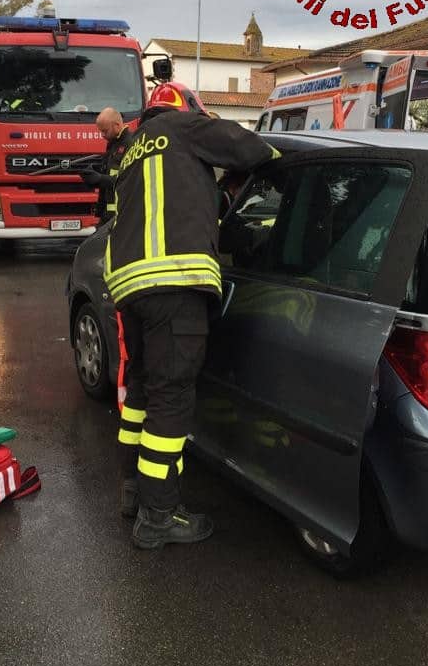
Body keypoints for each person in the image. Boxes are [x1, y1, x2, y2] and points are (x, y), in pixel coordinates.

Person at [104, 81, 280, 550]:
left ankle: (133, 493)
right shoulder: (185, 128)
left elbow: (163, 210)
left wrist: (218, 199)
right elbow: (250, 148)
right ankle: (159, 516)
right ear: (188, 110)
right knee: (172, 399)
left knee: (142, 392)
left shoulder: (131, 153)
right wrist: (276, 162)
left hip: (130, 289)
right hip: (174, 285)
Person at [80, 107, 133, 225]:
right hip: (108, 216)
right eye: (100, 131)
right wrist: (95, 172)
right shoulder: (114, 144)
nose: (102, 135)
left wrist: (100, 179)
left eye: (105, 131)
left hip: (121, 216)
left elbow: (129, 180)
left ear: (117, 125)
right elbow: (111, 171)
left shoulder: (131, 144)